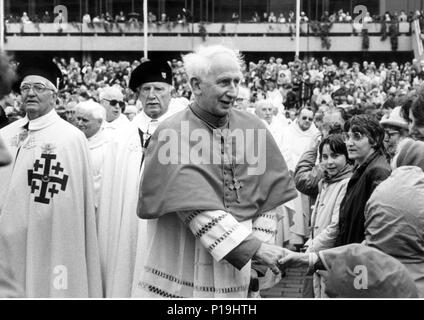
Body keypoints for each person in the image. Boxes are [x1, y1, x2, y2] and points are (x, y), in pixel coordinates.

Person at [136, 45, 297, 298]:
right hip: (188, 259)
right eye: (224, 82)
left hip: (244, 269)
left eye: (237, 81)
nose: (233, 92)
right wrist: (253, 249)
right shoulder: (172, 133)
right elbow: (193, 207)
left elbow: (268, 199)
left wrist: (257, 261)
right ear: (196, 85)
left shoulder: (253, 127)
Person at [0, 56, 102, 297]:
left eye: (39, 87)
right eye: (25, 88)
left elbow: (77, 201)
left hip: (53, 237)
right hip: (8, 237)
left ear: (54, 95)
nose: (31, 93)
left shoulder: (70, 138)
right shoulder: (5, 135)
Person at [97, 60, 180, 297]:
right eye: (146, 89)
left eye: (159, 89)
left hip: (167, 225)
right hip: (129, 226)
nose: (152, 96)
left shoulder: (186, 132)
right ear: (138, 94)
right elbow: (111, 195)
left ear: (171, 92)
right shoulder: (121, 136)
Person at [304, 134, 352, 297]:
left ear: (346, 157)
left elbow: (335, 227)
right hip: (319, 252)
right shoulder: (325, 181)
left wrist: (312, 248)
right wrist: (311, 240)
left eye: (335, 155)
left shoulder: (346, 183)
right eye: (324, 157)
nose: (329, 162)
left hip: (330, 255)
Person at [335, 115, 391, 246]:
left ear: (375, 140)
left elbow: (379, 224)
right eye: (348, 137)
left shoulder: (378, 171)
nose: (349, 143)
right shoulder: (361, 168)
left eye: (357, 136)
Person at [74, 100, 110, 208]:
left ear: (99, 122)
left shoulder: (108, 146)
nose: (80, 124)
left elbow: (103, 184)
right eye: (78, 119)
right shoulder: (72, 140)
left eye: (85, 120)